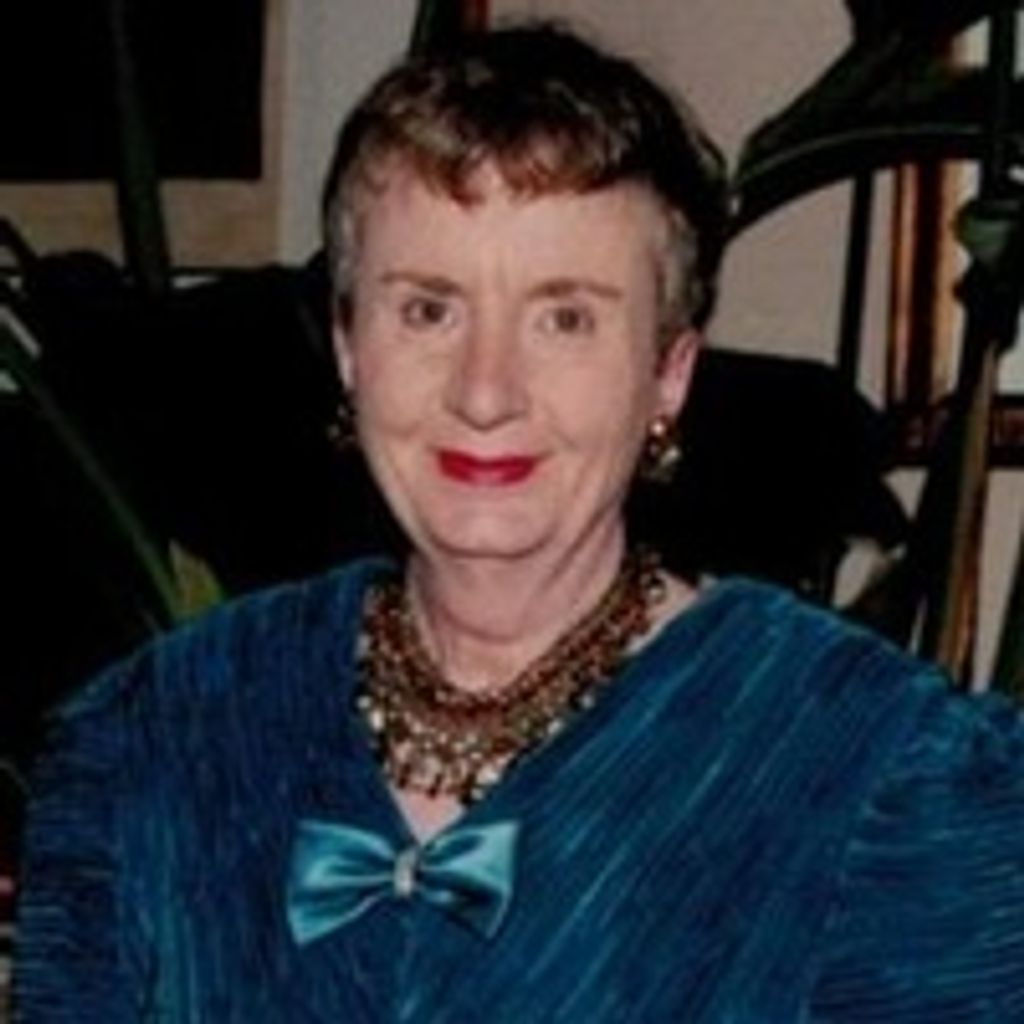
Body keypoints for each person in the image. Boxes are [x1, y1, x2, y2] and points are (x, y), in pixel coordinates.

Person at [13, 21, 1024, 1023]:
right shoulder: (147, 745)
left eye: (564, 317)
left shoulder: (881, 774)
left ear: (668, 372)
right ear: (350, 347)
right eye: (429, 309)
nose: (486, 391)